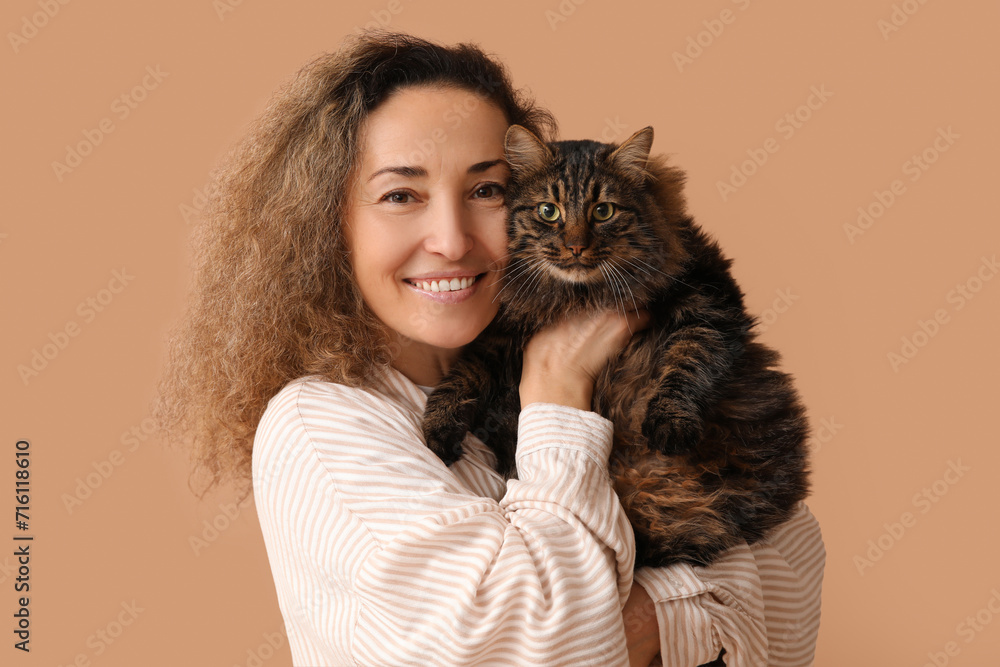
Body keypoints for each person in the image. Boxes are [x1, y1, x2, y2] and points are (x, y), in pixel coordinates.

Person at [153, 30, 825, 666]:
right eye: (400, 194)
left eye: (485, 190)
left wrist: (633, 617)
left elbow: (793, 561)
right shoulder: (321, 425)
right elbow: (546, 652)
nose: (450, 238)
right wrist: (558, 396)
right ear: (329, 229)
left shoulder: (573, 368)